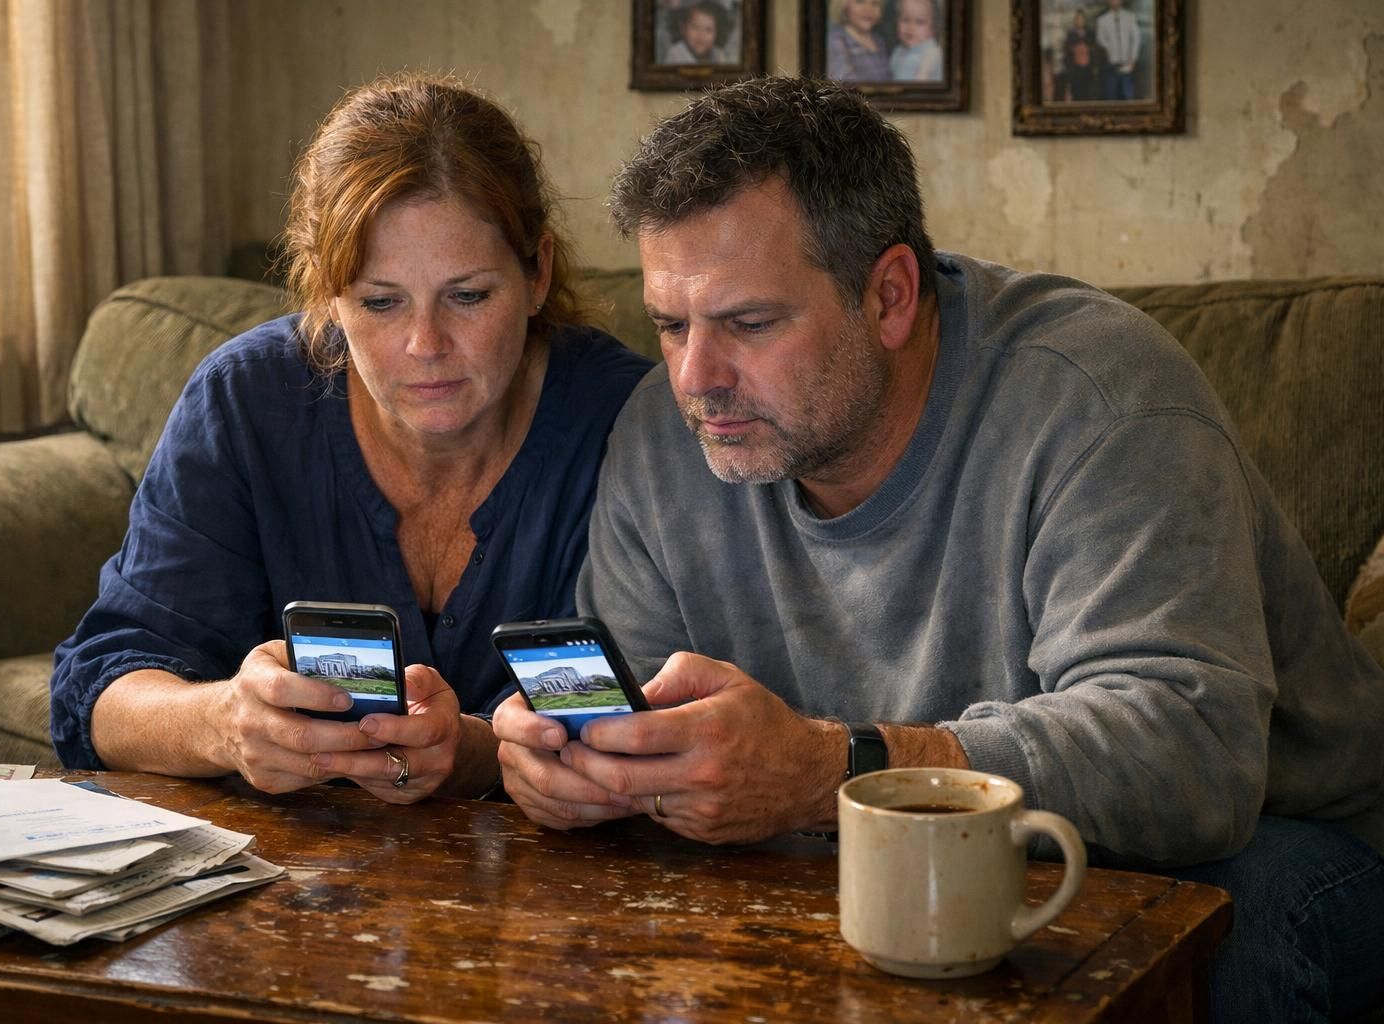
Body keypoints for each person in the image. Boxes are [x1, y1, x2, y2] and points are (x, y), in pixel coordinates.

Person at [493, 76, 1384, 1021]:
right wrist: (578, 767)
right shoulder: (661, 435)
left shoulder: (1097, 398)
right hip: (887, 852)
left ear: (889, 296)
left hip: (1280, 843)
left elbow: (1189, 758)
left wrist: (829, 769)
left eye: (750, 323)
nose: (696, 378)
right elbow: (639, 709)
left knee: (1218, 941)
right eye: (671, 325)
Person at [50, 74, 651, 804]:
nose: (425, 344)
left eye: (468, 296)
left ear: (537, 273)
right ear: (327, 295)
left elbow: (656, 729)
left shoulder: (629, 421)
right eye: (379, 302)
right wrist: (223, 721)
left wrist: (469, 750)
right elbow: (101, 696)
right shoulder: (247, 402)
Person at [826, 0, 891, 83]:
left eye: (875, 3)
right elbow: (843, 82)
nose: (868, 9)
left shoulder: (879, 41)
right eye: (860, 1)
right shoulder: (836, 40)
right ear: (844, 6)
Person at [1095, 0, 1141, 100]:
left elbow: (1136, 39)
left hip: (1127, 65)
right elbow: (1100, 39)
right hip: (1111, 66)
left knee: (1129, 97)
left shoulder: (1130, 17)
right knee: (1111, 98)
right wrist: (1108, 49)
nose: (1115, 1)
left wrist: (1132, 59)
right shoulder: (1102, 20)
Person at [888, 0, 943, 82]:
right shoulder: (898, 51)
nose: (911, 28)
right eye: (905, 20)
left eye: (920, 22)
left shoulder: (933, 53)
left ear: (933, 28)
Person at [662, 1, 730, 65]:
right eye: (695, 27)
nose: (700, 35)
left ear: (717, 33)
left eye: (708, 30)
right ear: (683, 28)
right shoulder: (676, 54)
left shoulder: (718, 55)